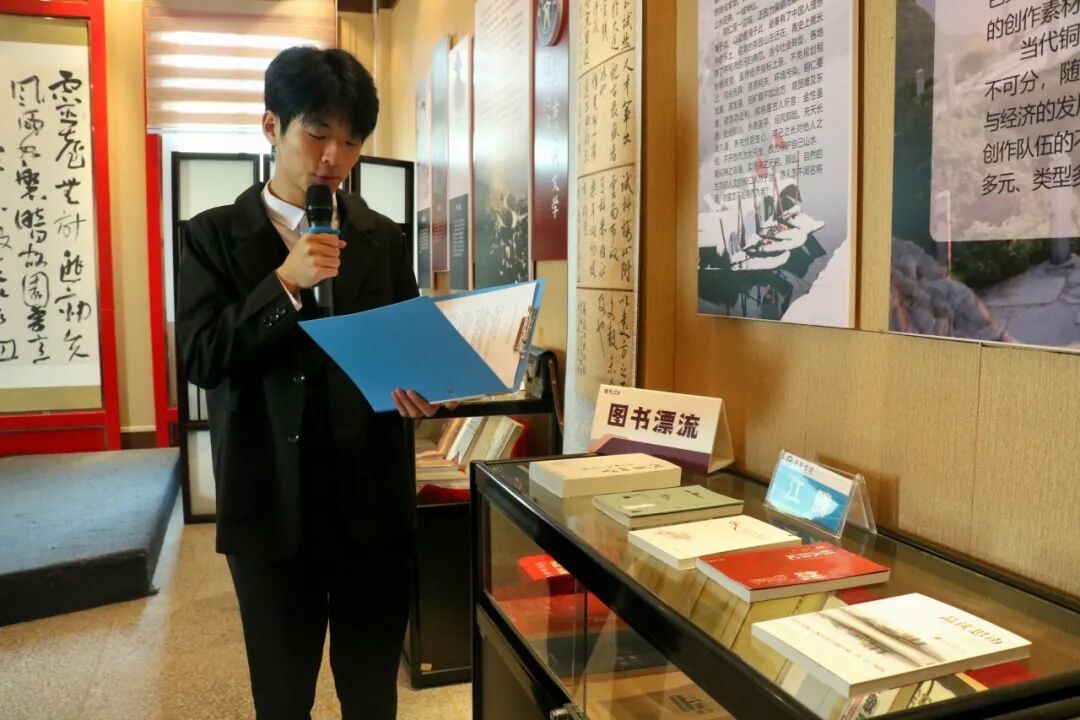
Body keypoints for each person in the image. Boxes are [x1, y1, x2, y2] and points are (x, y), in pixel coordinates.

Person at [177, 46, 443, 720]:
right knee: (282, 696)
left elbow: (403, 348)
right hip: (270, 505)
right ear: (272, 125)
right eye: (317, 134)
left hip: (372, 503)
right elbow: (203, 357)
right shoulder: (212, 236)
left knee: (371, 694)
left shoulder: (381, 237)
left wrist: (421, 389)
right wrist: (284, 284)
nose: (333, 158)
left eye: (351, 142)